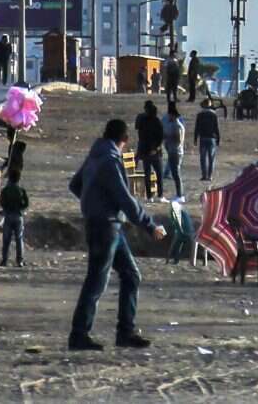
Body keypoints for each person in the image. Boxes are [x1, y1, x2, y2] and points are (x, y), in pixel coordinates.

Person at [68, 119, 167, 351]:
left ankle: (126, 332)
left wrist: (92, 201)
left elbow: (75, 185)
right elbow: (125, 199)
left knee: (131, 275)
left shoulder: (94, 155)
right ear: (124, 140)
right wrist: (150, 225)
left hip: (108, 224)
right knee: (96, 281)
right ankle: (79, 334)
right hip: (106, 226)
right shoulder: (109, 161)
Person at [135, 101, 165, 202]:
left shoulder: (142, 120)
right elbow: (161, 136)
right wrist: (156, 148)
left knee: (147, 174)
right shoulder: (157, 121)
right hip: (155, 151)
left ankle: (149, 196)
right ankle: (160, 195)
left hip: (145, 150)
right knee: (159, 174)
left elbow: (138, 129)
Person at [0, 168, 29, 267]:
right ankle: (19, 260)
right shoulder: (21, 190)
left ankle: (4, 260)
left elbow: (2, 203)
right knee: (19, 238)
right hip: (18, 215)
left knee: (6, 239)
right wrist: (20, 208)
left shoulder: (5, 190)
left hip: (8, 215)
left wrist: (6, 209)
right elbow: (26, 203)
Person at [162, 104, 185, 202]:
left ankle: (180, 195)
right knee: (175, 174)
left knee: (176, 174)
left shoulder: (177, 125)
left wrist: (168, 139)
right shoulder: (173, 125)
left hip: (175, 152)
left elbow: (178, 139)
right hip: (173, 151)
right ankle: (179, 194)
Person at [194, 99, 221, 181]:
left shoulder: (200, 115)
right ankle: (210, 176)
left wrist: (195, 138)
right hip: (212, 138)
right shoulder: (214, 115)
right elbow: (216, 127)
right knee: (211, 158)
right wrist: (218, 138)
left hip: (203, 137)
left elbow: (197, 127)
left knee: (203, 158)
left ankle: (204, 175)